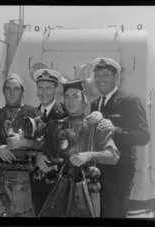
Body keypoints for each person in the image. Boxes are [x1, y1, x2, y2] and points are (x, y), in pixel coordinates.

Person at [38, 79, 120, 217]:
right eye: (67, 97)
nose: (71, 101)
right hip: (57, 191)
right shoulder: (55, 126)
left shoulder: (95, 126)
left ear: (85, 100)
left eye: (75, 96)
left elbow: (114, 156)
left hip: (86, 191)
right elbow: (45, 152)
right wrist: (39, 156)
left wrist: (88, 155)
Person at [90, 57, 150, 217]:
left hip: (119, 175)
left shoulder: (130, 101)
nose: (100, 80)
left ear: (116, 77)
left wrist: (115, 129)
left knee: (114, 215)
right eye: (97, 76)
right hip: (97, 172)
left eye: (105, 75)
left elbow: (143, 136)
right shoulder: (95, 104)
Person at [0, 73, 42, 217]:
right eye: (8, 89)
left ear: (23, 92)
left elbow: (43, 144)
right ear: (3, 91)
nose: (12, 93)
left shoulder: (34, 115)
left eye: (16, 89)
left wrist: (25, 142)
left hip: (21, 177)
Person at [30, 66, 68, 215]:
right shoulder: (31, 114)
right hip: (35, 180)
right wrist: (35, 155)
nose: (43, 92)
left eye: (48, 88)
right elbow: (25, 145)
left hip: (58, 180)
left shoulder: (65, 113)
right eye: (40, 88)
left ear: (56, 89)